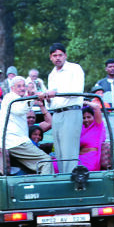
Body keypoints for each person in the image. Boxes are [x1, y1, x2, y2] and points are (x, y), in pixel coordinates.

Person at [38, 43, 84, 173]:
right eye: (54, 56)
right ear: (50, 58)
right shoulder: (52, 74)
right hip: (57, 114)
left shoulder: (75, 69)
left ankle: (72, 182)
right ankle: (64, 180)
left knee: (69, 151)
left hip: (71, 111)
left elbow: (76, 90)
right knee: (59, 151)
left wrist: (55, 92)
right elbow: (52, 101)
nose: (57, 58)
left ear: (65, 56)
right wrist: (46, 97)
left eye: (60, 55)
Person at [0, 76, 54, 175]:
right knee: (46, 161)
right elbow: (20, 110)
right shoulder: (11, 97)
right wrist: (33, 97)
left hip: (15, 141)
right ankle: (46, 188)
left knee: (37, 166)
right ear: (12, 88)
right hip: (15, 142)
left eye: (24, 86)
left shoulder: (19, 99)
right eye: (18, 86)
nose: (22, 88)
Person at [78, 100, 105, 171]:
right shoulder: (82, 128)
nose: (86, 120)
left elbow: (96, 107)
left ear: (94, 117)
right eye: (84, 118)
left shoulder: (97, 125)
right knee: (54, 164)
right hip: (78, 158)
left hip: (90, 160)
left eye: (89, 117)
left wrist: (84, 102)